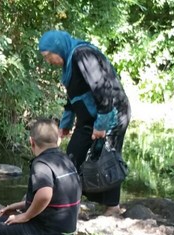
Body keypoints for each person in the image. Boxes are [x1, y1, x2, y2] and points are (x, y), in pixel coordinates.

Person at [38, 30, 131, 217]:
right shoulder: (70, 63)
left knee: (107, 158)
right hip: (90, 117)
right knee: (74, 153)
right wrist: (65, 124)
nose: (49, 61)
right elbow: (74, 96)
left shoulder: (83, 54)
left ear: (58, 48)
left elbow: (103, 89)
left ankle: (112, 208)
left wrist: (101, 125)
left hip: (112, 112)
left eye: (49, 56)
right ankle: (70, 203)